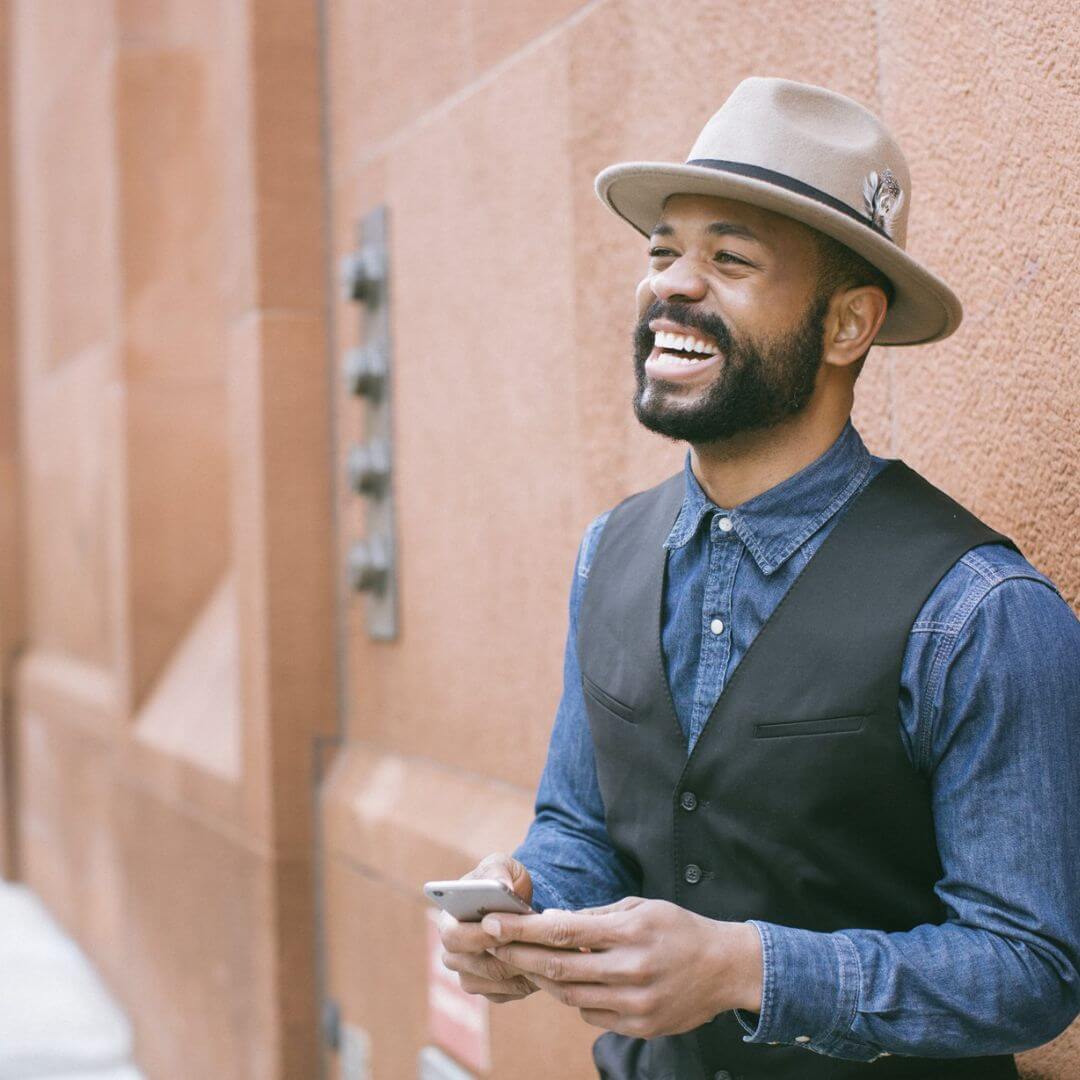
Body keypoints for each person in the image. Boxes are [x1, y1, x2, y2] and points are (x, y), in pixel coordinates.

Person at [436, 76, 1080, 1079]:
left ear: (846, 325)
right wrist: (523, 908)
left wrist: (746, 969)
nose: (673, 285)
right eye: (663, 253)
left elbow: (1029, 970)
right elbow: (580, 826)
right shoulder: (608, 551)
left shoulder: (979, 612)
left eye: (729, 259)